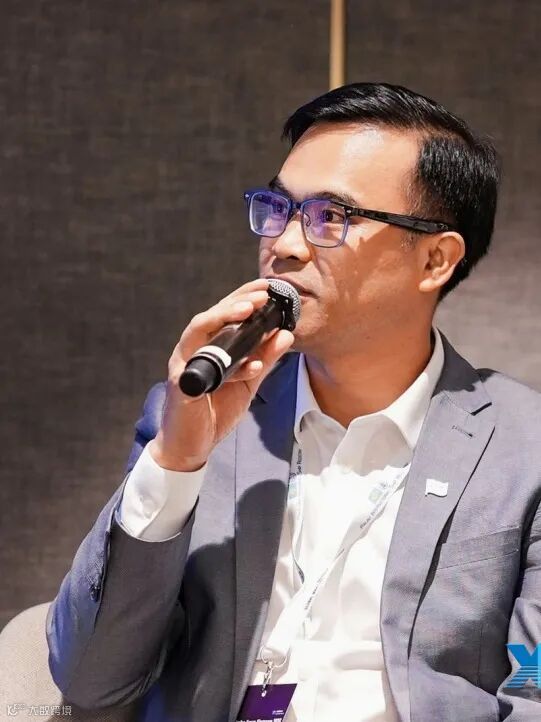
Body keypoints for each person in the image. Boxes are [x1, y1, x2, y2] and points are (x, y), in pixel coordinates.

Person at [46, 83, 541, 722]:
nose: (283, 244)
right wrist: (175, 464)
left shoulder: (523, 448)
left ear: (434, 260)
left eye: (331, 216)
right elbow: (91, 679)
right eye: (279, 208)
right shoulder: (198, 414)